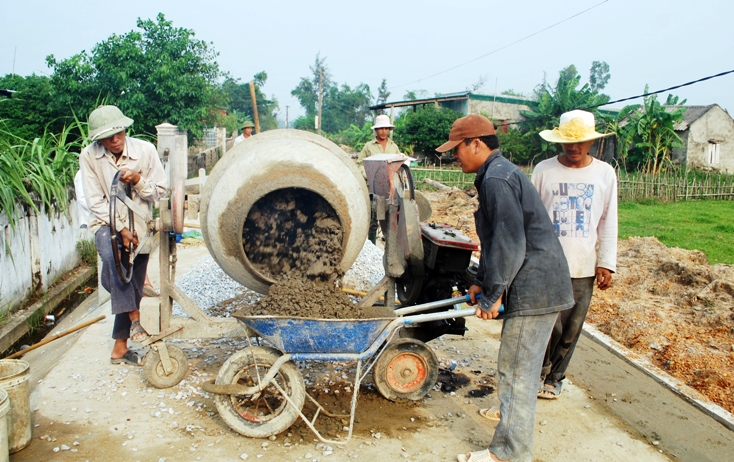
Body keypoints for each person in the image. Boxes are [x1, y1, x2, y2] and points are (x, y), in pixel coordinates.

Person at [436, 114, 574, 462]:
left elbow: (510, 244)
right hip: (536, 282)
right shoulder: (495, 174)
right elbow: (496, 239)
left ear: (476, 143)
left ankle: (509, 454)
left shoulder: (497, 177)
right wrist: (482, 282)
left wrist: (493, 296)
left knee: (516, 373)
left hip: (536, 288)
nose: (456, 157)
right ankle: (511, 445)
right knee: (517, 372)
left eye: (458, 150)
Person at [532, 109, 618, 399]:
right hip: (547, 263)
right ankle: (538, 370)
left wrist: (606, 262)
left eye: (580, 142)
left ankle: (555, 377)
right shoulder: (544, 171)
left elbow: (609, 221)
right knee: (547, 324)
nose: (574, 148)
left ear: (591, 142)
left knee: (571, 328)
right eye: (568, 142)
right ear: (560, 142)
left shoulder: (604, 173)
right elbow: (530, 217)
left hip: (583, 266)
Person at [79, 105, 167, 366]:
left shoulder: (145, 151)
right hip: (106, 223)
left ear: (125, 129)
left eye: (118, 133)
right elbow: (95, 201)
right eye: (107, 137)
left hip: (139, 225)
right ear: (98, 139)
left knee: (133, 284)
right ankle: (136, 321)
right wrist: (121, 229)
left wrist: (138, 179)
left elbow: (158, 192)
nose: (115, 140)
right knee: (114, 261)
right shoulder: (89, 157)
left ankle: (119, 348)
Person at [357, 114, 401, 243]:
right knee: (372, 219)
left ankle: (389, 247)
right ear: (376, 130)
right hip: (373, 189)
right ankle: (371, 245)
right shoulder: (368, 146)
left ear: (389, 130)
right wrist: (368, 175)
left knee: (389, 218)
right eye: (381, 128)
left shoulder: (394, 147)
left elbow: (399, 165)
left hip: (389, 190)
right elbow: (360, 163)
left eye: (386, 128)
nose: (383, 131)